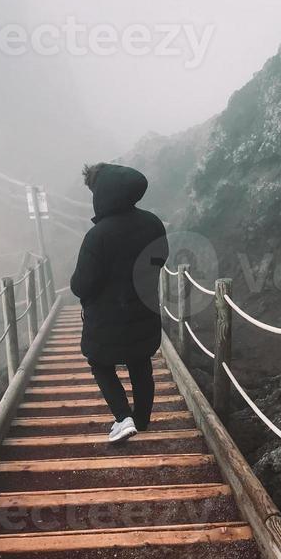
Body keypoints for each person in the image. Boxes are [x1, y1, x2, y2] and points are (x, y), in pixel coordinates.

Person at [70, 163, 168, 443]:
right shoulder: (152, 223)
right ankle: (143, 420)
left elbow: (81, 285)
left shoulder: (97, 235)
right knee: (140, 363)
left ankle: (123, 418)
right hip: (143, 311)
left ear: (101, 193)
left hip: (105, 319)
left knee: (100, 363)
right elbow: (161, 259)